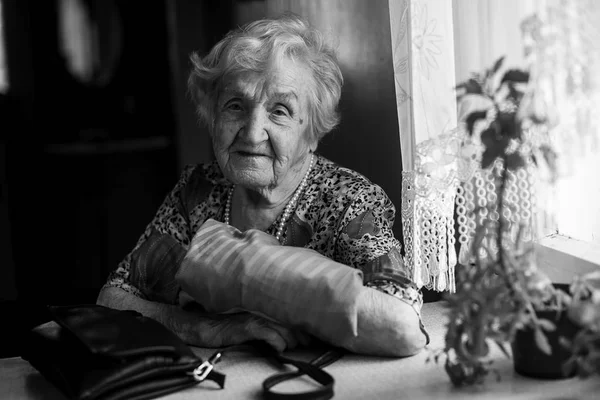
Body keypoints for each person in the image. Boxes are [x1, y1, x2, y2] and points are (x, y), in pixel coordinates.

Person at [97, 14, 428, 356]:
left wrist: (245, 263)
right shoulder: (198, 191)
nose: (253, 133)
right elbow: (113, 300)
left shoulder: (348, 201)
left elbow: (402, 327)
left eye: (280, 110)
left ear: (311, 133)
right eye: (236, 106)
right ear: (213, 117)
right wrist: (205, 327)